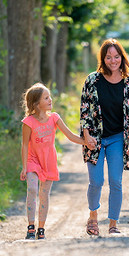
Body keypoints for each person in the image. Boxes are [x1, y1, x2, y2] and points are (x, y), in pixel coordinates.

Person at [80, 38, 129, 236]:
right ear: (103, 58)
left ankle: (113, 224)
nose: (113, 61)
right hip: (95, 138)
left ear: (122, 58)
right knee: (96, 181)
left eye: (116, 57)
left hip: (118, 138)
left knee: (116, 181)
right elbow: (84, 109)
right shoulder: (92, 80)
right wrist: (86, 135)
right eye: (108, 57)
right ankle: (93, 217)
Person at [20, 83, 86, 240]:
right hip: (32, 161)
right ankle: (31, 226)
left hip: (48, 161)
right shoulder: (28, 122)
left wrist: (86, 142)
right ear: (36, 103)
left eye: (49, 97)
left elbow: (70, 136)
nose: (50, 100)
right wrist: (24, 167)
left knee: (44, 194)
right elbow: (24, 144)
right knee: (32, 190)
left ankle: (41, 228)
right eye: (46, 97)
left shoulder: (54, 118)